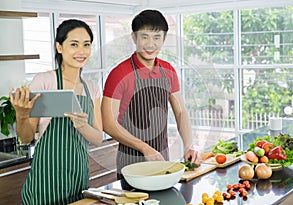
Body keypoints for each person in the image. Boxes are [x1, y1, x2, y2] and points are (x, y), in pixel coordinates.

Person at [101, 9, 201, 189]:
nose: (150, 44)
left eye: (156, 37)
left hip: (162, 159)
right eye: (144, 36)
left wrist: (188, 146)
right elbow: (108, 123)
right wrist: (145, 148)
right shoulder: (119, 74)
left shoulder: (168, 70)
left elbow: (180, 112)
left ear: (164, 38)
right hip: (130, 165)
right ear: (134, 37)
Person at [9, 19, 103, 204]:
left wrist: (83, 126)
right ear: (59, 47)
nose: (81, 51)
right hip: (46, 180)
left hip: (78, 177)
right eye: (74, 44)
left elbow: (98, 138)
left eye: (86, 45)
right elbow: (26, 137)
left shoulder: (91, 88)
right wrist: (21, 115)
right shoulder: (45, 81)